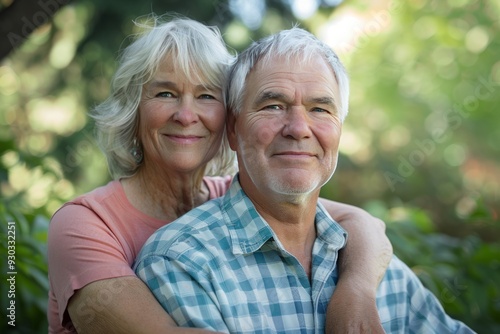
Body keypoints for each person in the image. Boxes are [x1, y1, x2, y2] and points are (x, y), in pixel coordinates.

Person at [47, 16, 392, 334]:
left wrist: (357, 291)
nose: (186, 115)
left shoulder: (230, 196)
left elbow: (362, 223)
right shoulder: (85, 224)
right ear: (132, 109)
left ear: (230, 121)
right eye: (165, 93)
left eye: (206, 96)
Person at [134, 27, 475, 333]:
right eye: (273, 106)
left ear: (340, 130)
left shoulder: (374, 267)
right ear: (234, 130)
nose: (298, 128)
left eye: (320, 109)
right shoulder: (181, 261)